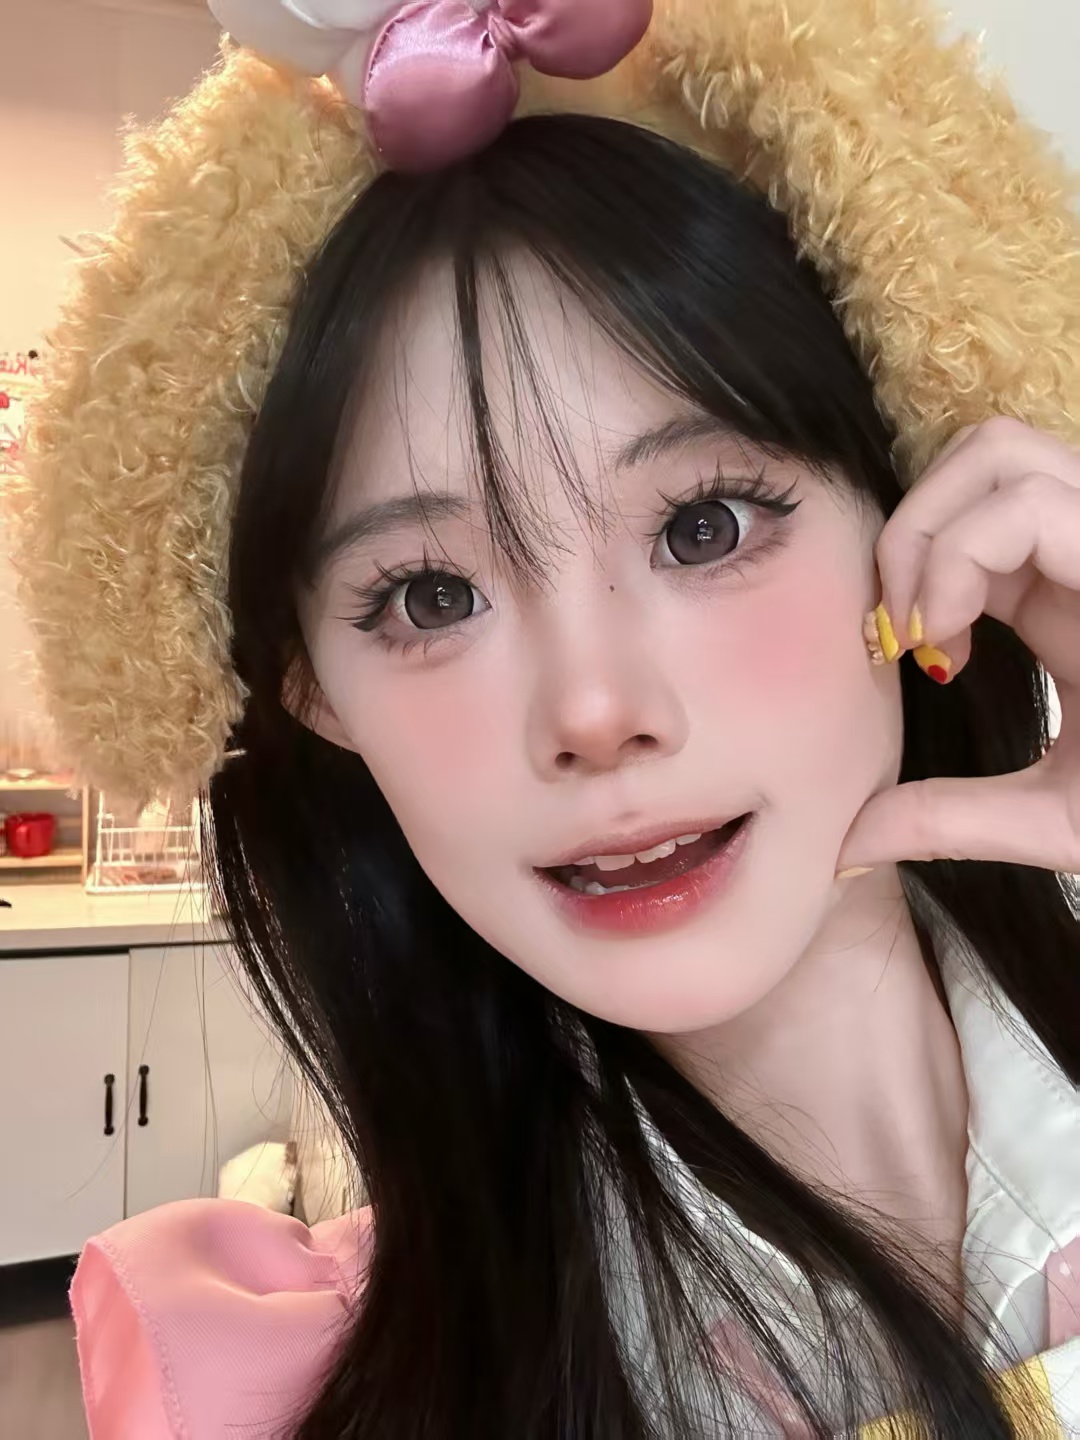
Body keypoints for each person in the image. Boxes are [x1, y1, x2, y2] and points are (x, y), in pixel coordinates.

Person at [9, 0, 1080, 1434]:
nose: (594, 712)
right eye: (431, 597)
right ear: (313, 692)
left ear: (912, 519)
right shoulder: (279, 1387)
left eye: (703, 526)